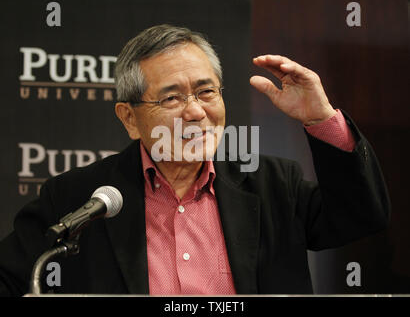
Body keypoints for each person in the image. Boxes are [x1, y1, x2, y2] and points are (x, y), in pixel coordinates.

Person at [0, 24, 390, 296]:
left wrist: (320, 119)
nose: (196, 112)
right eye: (171, 98)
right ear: (129, 118)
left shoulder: (274, 184)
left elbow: (362, 216)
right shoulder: (78, 197)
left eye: (206, 91)